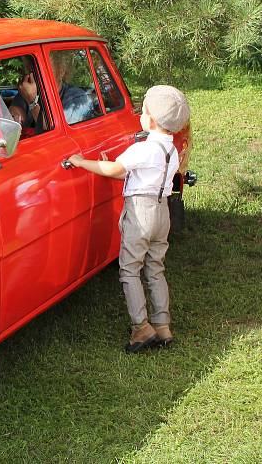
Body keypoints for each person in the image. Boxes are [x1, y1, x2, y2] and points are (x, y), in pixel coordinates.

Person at [67, 85, 190, 353]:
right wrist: (106, 166)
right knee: (155, 268)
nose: (140, 114)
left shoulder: (144, 148)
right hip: (162, 214)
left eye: (143, 111)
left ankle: (140, 328)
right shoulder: (170, 150)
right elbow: (133, 175)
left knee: (130, 269)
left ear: (153, 120)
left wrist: (81, 161)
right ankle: (162, 325)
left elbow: (116, 168)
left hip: (141, 214)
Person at [50, 51, 97, 124]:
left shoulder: (77, 98)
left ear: (61, 71)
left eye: (46, 69)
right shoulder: (36, 93)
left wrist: (33, 102)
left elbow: (60, 130)